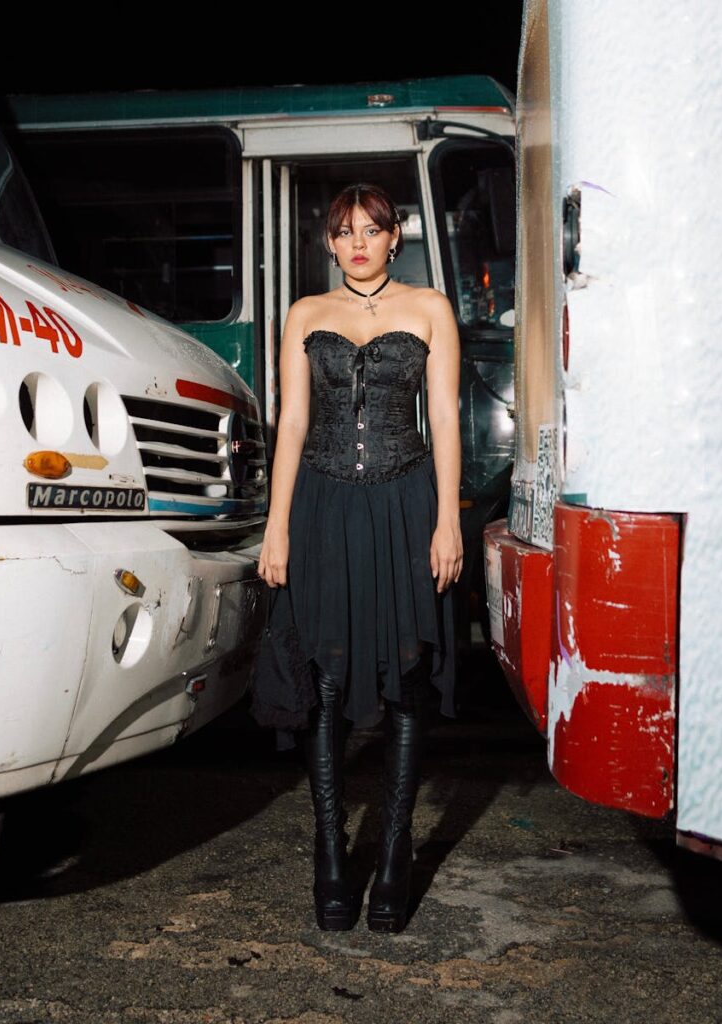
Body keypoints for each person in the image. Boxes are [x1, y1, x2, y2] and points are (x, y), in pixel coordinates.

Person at [255, 182, 462, 934]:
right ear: (329, 243)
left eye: (371, 230)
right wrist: (275, 527)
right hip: (323, 505)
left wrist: (448, 520)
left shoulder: (430, 307)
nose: (358, 244)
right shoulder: (306, 315)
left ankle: (398, 850)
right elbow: (293, 424)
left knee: (408, 675)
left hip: (405, 503)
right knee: (327, 678)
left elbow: (441, 416)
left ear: (394, 235)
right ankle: (331, 855)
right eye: (344, 232)